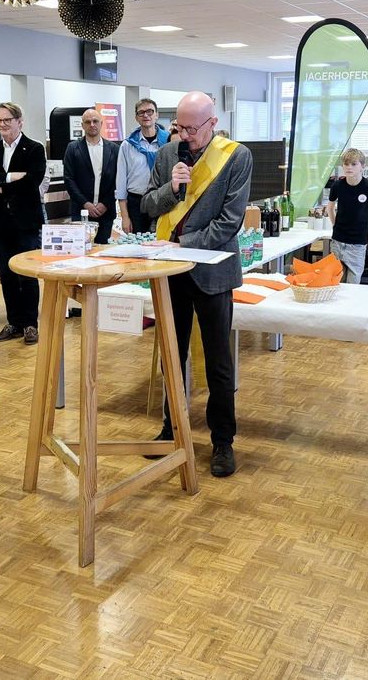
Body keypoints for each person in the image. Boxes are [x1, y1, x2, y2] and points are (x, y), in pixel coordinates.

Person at [142, 90, 252, 478]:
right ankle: (171, 430)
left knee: (219, 362)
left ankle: (223, 441)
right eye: (179, 127)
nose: (185, 135)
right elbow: (147, 207)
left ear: (212, 123)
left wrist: (179, 244)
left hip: (213, 274)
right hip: (171, 275)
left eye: (191, 128)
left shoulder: (236, 156)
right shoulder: (167, 155)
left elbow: (229, 222)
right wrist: (170, 189)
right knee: (172, 355)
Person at [0, 102, 46, 344]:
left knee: (27, 275)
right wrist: (8, 177)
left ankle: (30, 324)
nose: (3, 124)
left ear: (19, 121)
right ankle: (14, 322)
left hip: (25, 223)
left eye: (7, 120)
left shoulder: (34, 149)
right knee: (6, 275)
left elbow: (31, 182)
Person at [326, 148, 368, 283]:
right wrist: (335, 225)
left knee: (353, 283)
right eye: (346, 164)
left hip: (358, 243)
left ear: (362, 166)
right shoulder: (337, 185)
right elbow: (330, 207)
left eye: (354, 164)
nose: (349, 167)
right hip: (338, 241)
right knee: (336, 282)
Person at [63, 108, 119, 244]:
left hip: (106, 211)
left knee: (103, 250)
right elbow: (69, 179)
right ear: (82, 125)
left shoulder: (114, 149)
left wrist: (105, 203)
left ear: (101, 123)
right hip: (81, 211)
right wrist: (85, 203)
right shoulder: (72, 148)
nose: (92, 124)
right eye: (88, 122)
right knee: (80, 249)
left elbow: (118, 180)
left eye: (95, 121)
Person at [116, 98, 169, 234]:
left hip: (162, 200)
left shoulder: (169, 142)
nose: (146, 115)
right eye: (141, 113)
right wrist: (125, 217)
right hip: (136, 203)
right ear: (136, 118)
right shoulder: (127, 145)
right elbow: (121, 183)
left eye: (150, 111)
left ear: (156, 115)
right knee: (138, 247)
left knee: (163, 241)